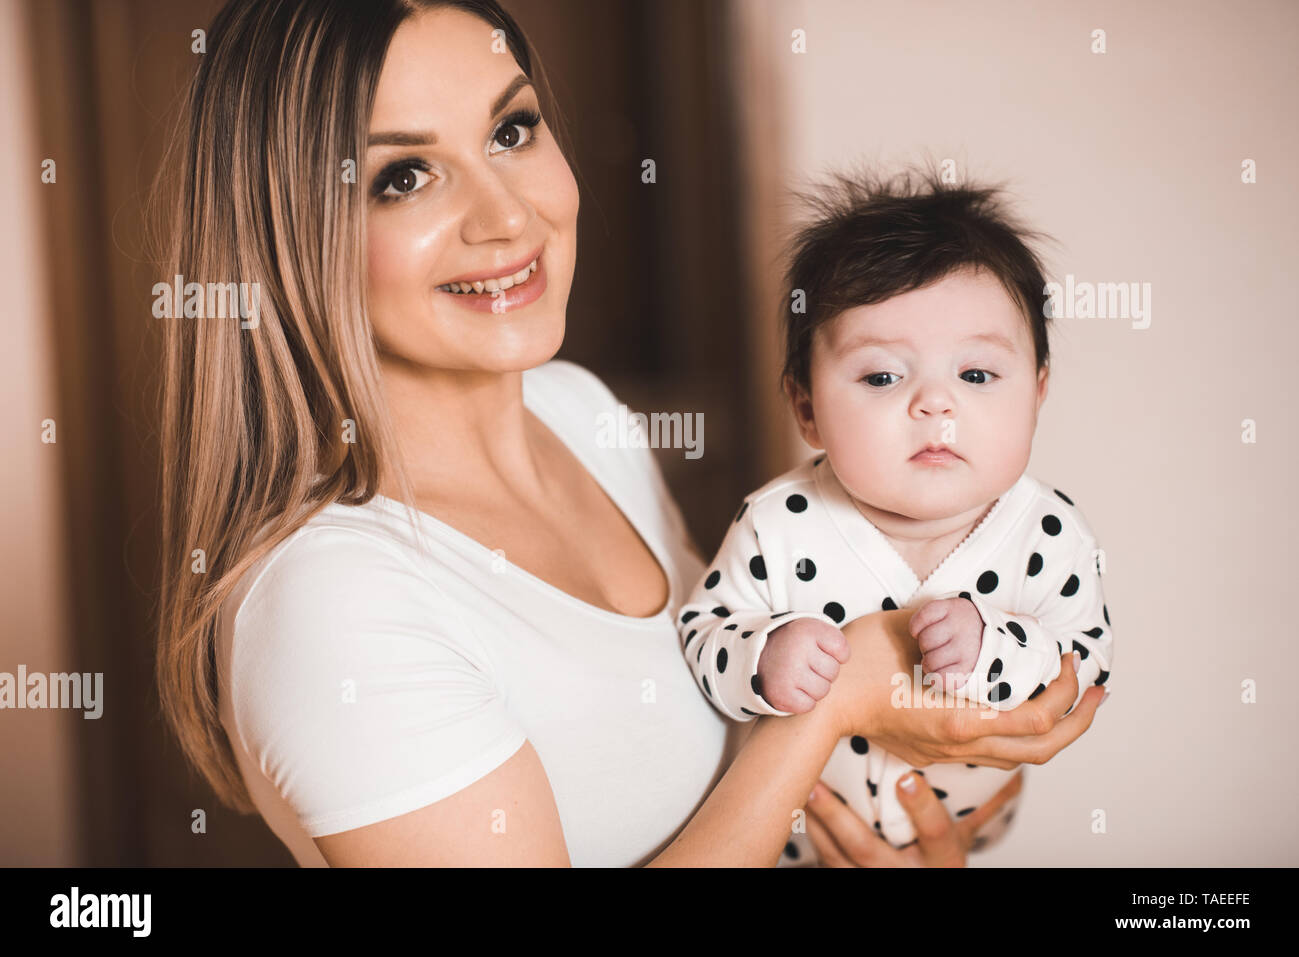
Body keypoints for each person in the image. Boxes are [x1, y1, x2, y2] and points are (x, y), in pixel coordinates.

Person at [153, 0, 1104, 868]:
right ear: (287, 235)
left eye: (511, 129)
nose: (507, 214)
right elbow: (808, 715)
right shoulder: (330, 601)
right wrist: (849, 688)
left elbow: (735, 738)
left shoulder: (580, 412)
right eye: (404, 176)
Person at [680, 168, 1113, 863]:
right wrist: (762, 654)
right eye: (883, 376)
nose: (935, 404)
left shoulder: (1049, 529)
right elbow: (703, 630)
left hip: (952, 838)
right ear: (807, 408)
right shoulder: (778, 521)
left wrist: (994, 645)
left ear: (1037, 391)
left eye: (975, 374)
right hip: (784, 837)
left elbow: (1083, 661)